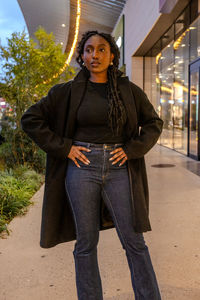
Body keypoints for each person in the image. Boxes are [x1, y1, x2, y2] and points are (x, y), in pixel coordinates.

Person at [21, 30, 163, 300]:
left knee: (134, 241)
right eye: (88, 50)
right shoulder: (66, 92)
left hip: (119, 168)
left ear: (112, 56)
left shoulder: (128, 91)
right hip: (82, 169)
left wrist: (132, 149)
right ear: (82, 55)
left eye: (101, 50)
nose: (94, 55)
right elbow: (31, 119)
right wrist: (65, 148)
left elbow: (154, 123)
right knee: (86, 244)